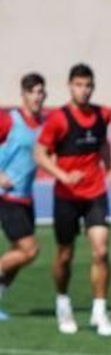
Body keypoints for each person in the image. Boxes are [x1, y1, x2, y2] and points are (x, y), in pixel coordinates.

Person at [33, 63, 111, 336]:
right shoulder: (58, 119)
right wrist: (62, 174)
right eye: (78, 85)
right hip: (66, 197)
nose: (84, 91)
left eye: (88, 85)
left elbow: (103, 144)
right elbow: (39, 154)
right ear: (70, 86)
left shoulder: (103, 114)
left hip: (95, 193)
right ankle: (62, 302)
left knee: (101, 251)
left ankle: (99, 310)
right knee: (65, 255)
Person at [0, 73, 47, 320]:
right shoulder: (9, 121)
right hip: (6, 197)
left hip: (26, 198)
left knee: (18, 254)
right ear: (23, 94)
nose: (37, 96)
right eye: (32, 92)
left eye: (41, 92)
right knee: (30, 251)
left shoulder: (44, 124)